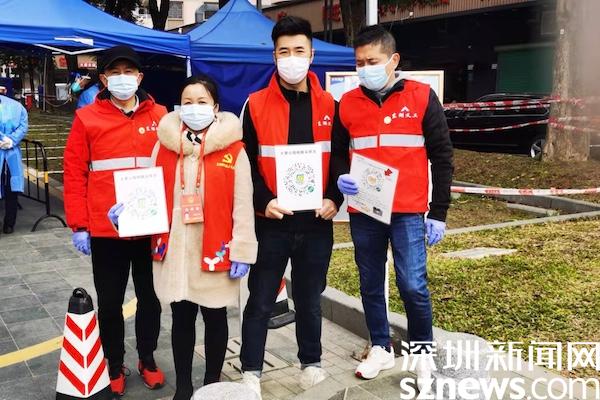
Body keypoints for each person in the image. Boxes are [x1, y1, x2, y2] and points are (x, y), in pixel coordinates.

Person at [109, 74, 259, 400]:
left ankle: (211, 384)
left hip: (215, 248)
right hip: (175, 251)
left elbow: (243, 205)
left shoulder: (234, 151)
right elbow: (147, 196)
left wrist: (243, 250)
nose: (194, 108)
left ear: (216, 108)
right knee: (181, 319)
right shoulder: (163, 147)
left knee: (215, 317)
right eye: (187, 102)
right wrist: (127, 215)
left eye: (202, 101)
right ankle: (185, 387)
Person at [332, 25, 454, 392]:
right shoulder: (347, 103)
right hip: (365, 210)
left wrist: (439, 212)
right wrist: (340, 177)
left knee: (412, 285)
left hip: (408, 211)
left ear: (393, 59)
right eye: (359, 63)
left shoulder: (421, 96)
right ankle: (380, 347)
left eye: (372, 61)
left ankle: (422, 352)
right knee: (370, 282)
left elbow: (442, 156)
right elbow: (338, 153)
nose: (365, 68)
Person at [240, 16, 344, 398]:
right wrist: (263, 201)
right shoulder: (255, 105)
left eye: (299, 50)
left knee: (310, 299)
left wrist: (335, 198)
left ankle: (311, 365)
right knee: (260, 300)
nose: (291, 58)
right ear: (274, 56)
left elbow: (340, 159)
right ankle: (251, 372)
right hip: (271, 223)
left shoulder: (331, 106)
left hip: (316, 223)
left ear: (312, 55)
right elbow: (244, 163)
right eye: (284, 51)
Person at [63, 45, 167, 396]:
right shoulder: (87, 118)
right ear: (104, 79)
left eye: (129, 71)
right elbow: (74, 172)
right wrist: (80, 225)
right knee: (109, 303)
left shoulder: (162, 116)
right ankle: (114, 362)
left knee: (151, 299)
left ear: (139, 76)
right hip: (107, 230)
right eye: (115, 72)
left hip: (151, 228)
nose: (123, 78)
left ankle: (147, 359)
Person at [0, 92, 27, 235]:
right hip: (11, 150)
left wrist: (10, 140)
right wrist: (9, 140)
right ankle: (8, 224)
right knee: (10, 189)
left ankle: (9, 223)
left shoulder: (16, 106)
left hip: (11, 151)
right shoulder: (16, 105)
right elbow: (23, 126)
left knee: (11, 188)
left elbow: (23, 125)